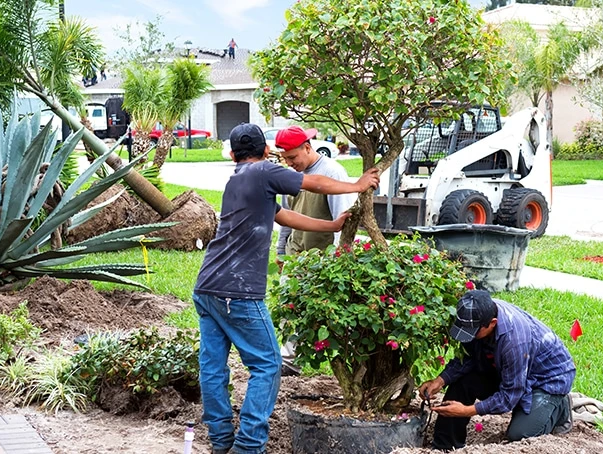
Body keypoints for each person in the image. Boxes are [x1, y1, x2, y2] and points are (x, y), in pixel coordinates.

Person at [192, 123, 379, 454]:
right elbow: (314, 182)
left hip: (207, 287)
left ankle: (221, 442)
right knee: (267, 363)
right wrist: (357, 183)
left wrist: (331, 225)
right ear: (267, 152)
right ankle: (248, 446)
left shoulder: (236, 180)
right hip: (238, 291)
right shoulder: (263, 172)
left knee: (212, 366)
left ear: (234, 155)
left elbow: (282, 216)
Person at [418, 290, 576, 451]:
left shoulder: (514, 342)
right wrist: (439, 380)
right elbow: (468, 358)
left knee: (519, 434)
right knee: (462, 381)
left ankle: (559, 407)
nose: (468, 336)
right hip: (513, 370)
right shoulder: (477, 316)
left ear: (492, 323)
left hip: (547, 379)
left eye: (473, 332)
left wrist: (466, 411)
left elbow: (509, 396)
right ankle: (445, 446)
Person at [273, 125, 357, 376]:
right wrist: (281, 252)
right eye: (285, 159)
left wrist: (338, 260)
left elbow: (345, 223)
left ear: (307, 148)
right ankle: (288, 362)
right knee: (290, 309)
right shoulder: (292, 177)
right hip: (296, 254)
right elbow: (287, 217)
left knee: (327, 316)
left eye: (293, 158)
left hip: (322, 260)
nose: (290, 163)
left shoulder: (332, 173)